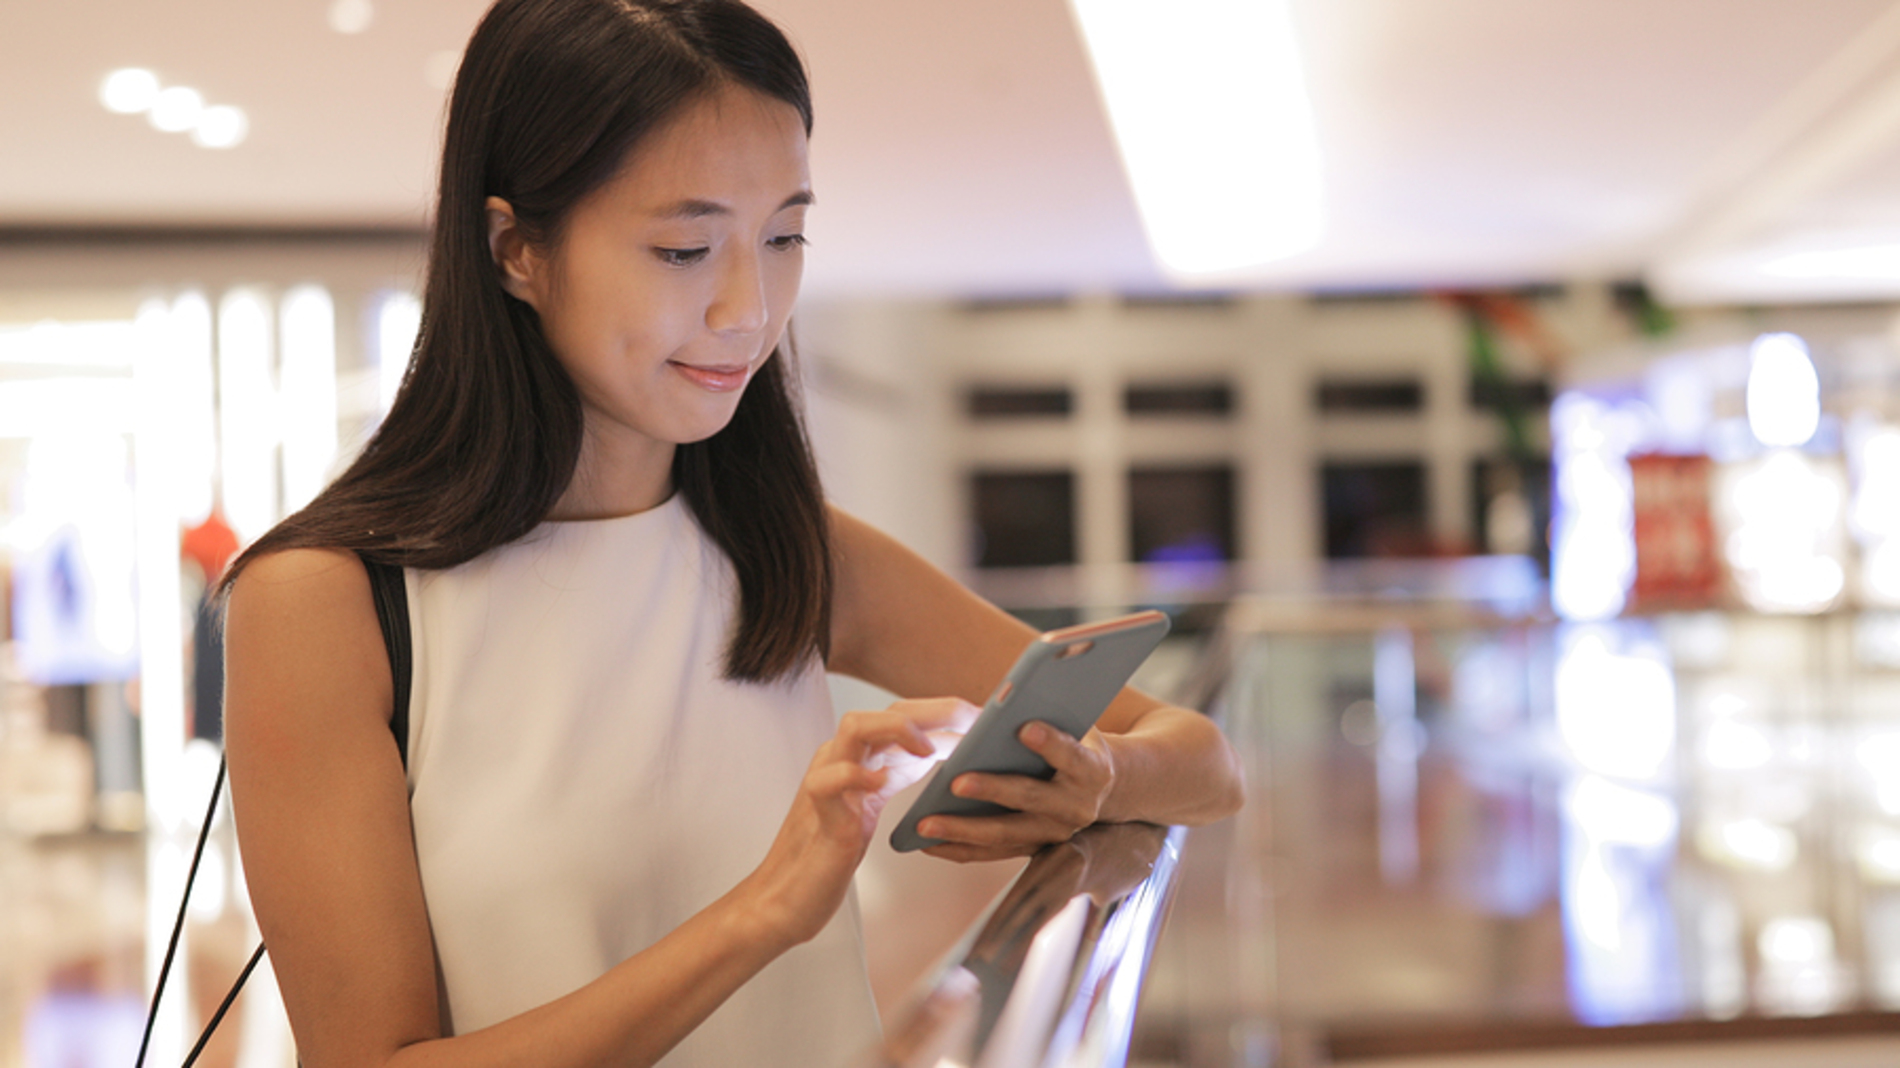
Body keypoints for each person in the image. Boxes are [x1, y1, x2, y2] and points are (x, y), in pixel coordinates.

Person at [218, 0, 1245, 1064]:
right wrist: (761, 912)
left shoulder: (784, 547)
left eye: (785, 236)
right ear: (515, 246)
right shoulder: (326, 603)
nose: (749, 309)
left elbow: (1202, 759)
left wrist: (1100, 781)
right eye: (685, 248)